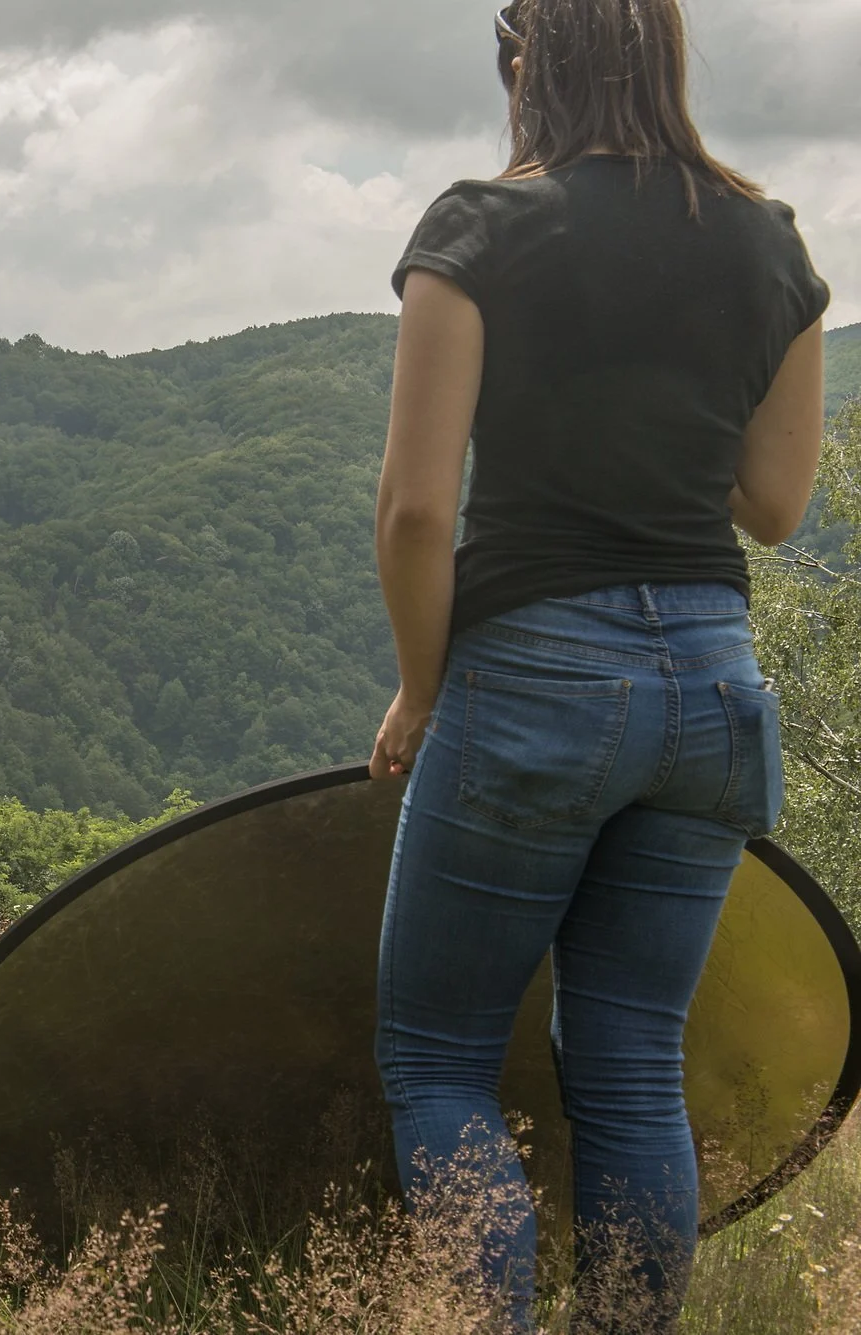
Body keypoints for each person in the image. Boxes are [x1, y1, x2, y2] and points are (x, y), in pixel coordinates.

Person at [369, 1, 828, 1327]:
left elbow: (412, 509)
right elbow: (776, 503)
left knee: (439, 1055)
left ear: (525, 65)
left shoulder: (479, 229)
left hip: (534, 678)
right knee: (631, 1063)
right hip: (716, 688)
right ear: (670, 60)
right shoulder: (770, 241)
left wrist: (422, 683)